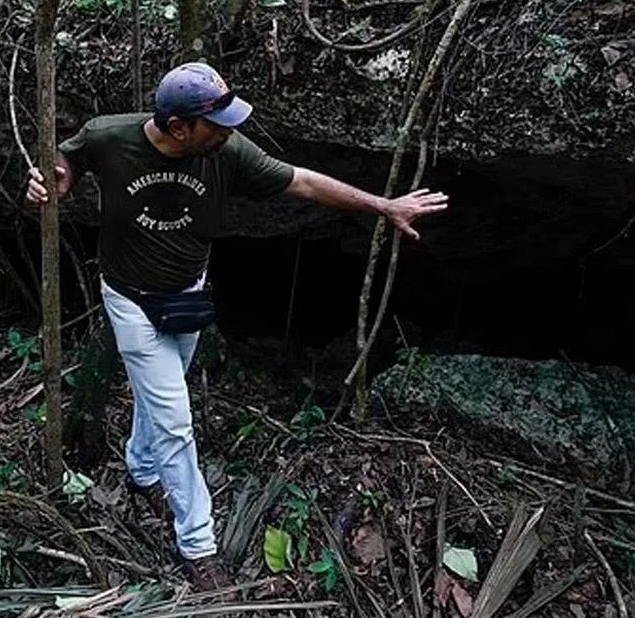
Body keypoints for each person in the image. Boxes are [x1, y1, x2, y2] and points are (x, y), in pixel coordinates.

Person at [26, 62, 447, 589]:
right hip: (130, 298)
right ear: (179, 126)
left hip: (187, 293)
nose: (229, 131)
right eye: (217, 122)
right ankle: (198, 545)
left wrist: (381, 205)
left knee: (163, 393)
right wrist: (54, 175)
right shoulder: (111, 136)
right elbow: (69, 155)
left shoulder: (226, 151)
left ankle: (141, 471)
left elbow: (304, 183)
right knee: (175, 418)